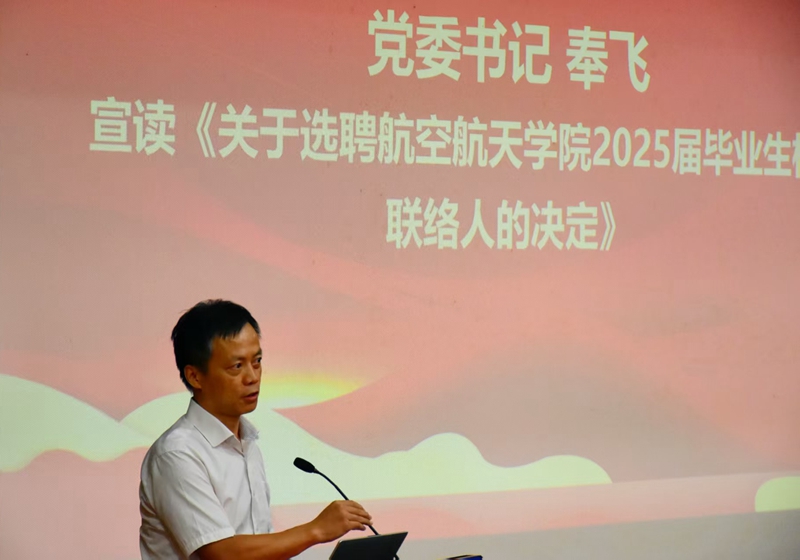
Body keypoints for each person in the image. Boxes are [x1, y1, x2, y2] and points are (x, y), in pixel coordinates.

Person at [139, 299, 372, 560]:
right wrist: (315, 530)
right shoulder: (177, 454)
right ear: (195, 376)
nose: (252, 377)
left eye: (257, 361)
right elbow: (222, 553)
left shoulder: (247, 443)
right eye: (237, 366)